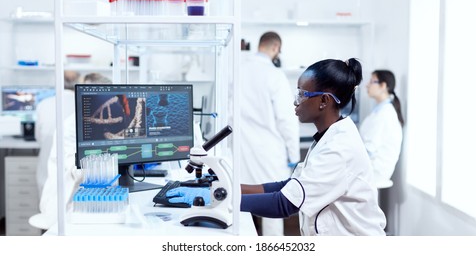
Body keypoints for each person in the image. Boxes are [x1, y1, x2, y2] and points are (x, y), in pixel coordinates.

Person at [167, 58, 386, 236]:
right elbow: (287, 186)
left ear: (324, 101)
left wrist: (217, 199)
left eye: (302, 94)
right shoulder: (329, 136)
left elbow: (284, 204)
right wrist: (223, 187)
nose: (295, 101)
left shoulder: (339, 147)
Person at [29, 73, 112, 230]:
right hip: (69, 198)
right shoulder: (71, 126)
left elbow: (38, 138)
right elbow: (78, 171)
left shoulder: (97, 120)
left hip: (90, 200)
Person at [237, 31, 300, 235]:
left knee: (240, 204)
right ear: (275, 48)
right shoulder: (275, 74)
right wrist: (294, 156)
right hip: (269, 151)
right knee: (272, 208)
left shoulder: (238, 70)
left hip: (241, 148)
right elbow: (287, 119)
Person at [34, 70, 80, 197]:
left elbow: (39, 139)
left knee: (47, 210)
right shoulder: (83, 103)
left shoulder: (44, 104)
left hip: (47, 170)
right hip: (73, 173)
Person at [359, 70, 404, 184]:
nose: (367, 85)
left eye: (372, 81)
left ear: (383, 86)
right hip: (370, 165)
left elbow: (369, 148)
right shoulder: (380, 111)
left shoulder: (385, 114)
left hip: (375, 169)